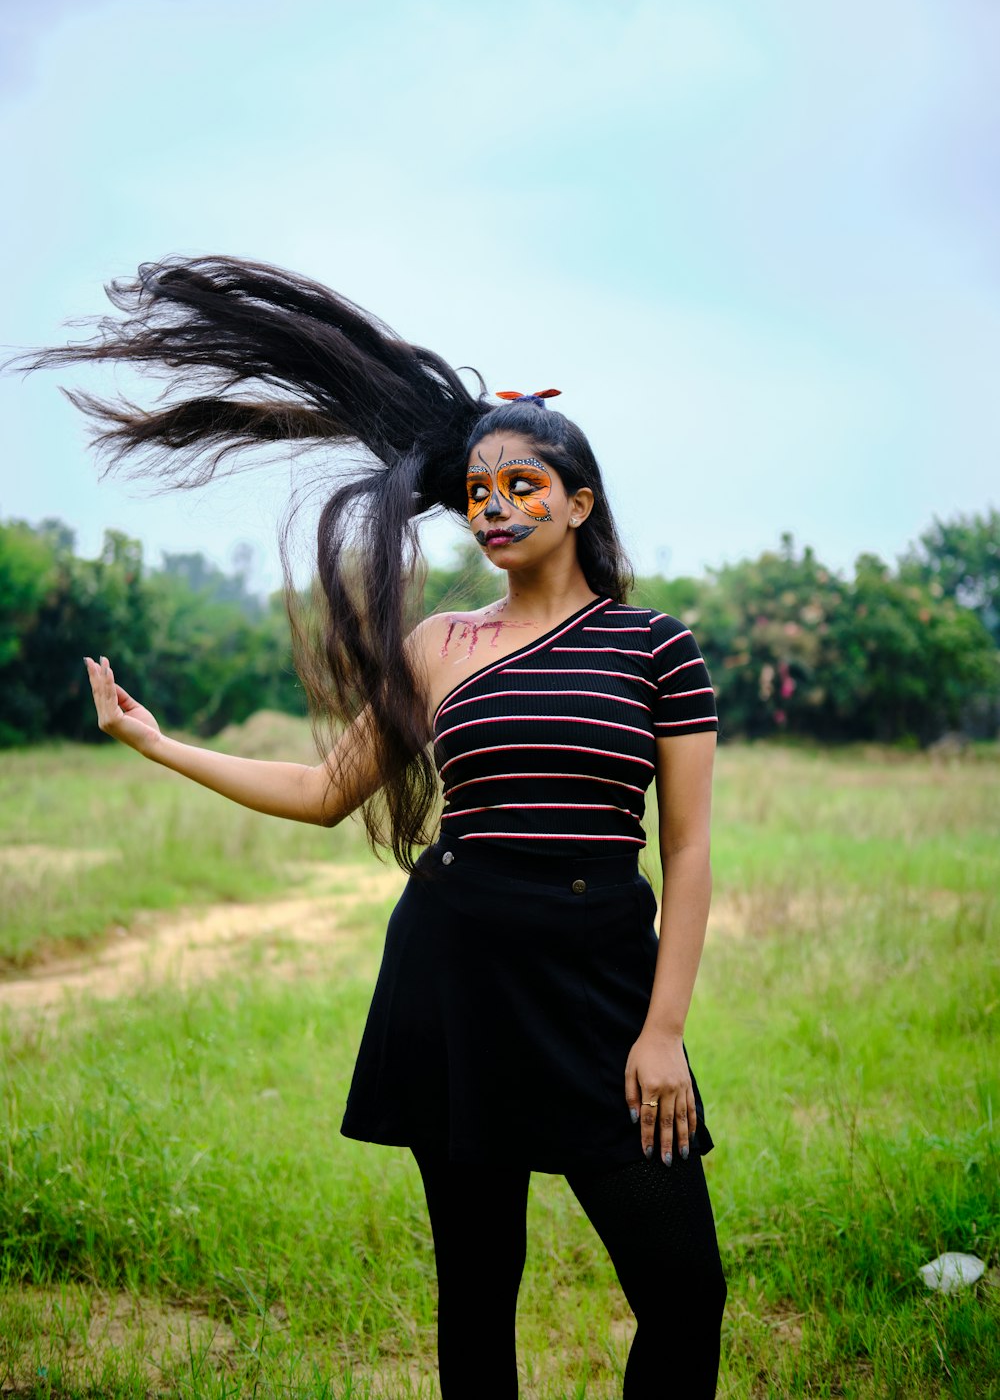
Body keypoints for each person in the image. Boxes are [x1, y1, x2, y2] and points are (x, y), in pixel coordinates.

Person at [25, 257, 727, 1398]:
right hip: (458, 978)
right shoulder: (436, 645)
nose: (497, 509)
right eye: (480, 494)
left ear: (580, 503)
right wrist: (158, 743)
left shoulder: (654, 649)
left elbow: (689, 848)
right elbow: (321, 791)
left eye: (523, 486)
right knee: (477, 1290)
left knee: (685, 1292)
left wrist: (662, 1032)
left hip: (605, 987)